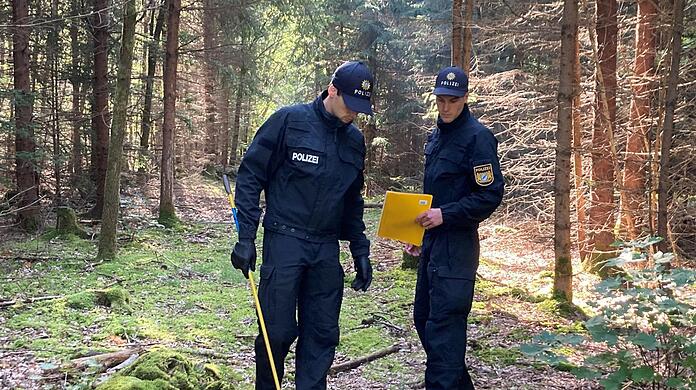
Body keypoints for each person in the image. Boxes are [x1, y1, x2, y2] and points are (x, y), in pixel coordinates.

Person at [230, 60, 374, 390]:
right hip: (285, 240)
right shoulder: (289, 121)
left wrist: (360, 250)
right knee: (275, 333)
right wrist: (246, 236)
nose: (355, 113)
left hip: (325, 248)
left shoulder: (354, 141)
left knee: (321, 335)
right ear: (333, 90)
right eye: (351, 104)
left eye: (361, 108)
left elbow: (352, 200)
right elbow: (251, 175)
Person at [406, 66, 504, 389]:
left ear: (465, 98)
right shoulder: (436, 137)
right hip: (433, 247)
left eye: (452, 100)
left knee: (444, 340)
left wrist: (445, 215)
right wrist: (418, 233)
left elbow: (489, 195)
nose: (445, 107)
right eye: (441, 100)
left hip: (457, 252)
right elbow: (431, 195)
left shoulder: (478, 139)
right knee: (424, 322)